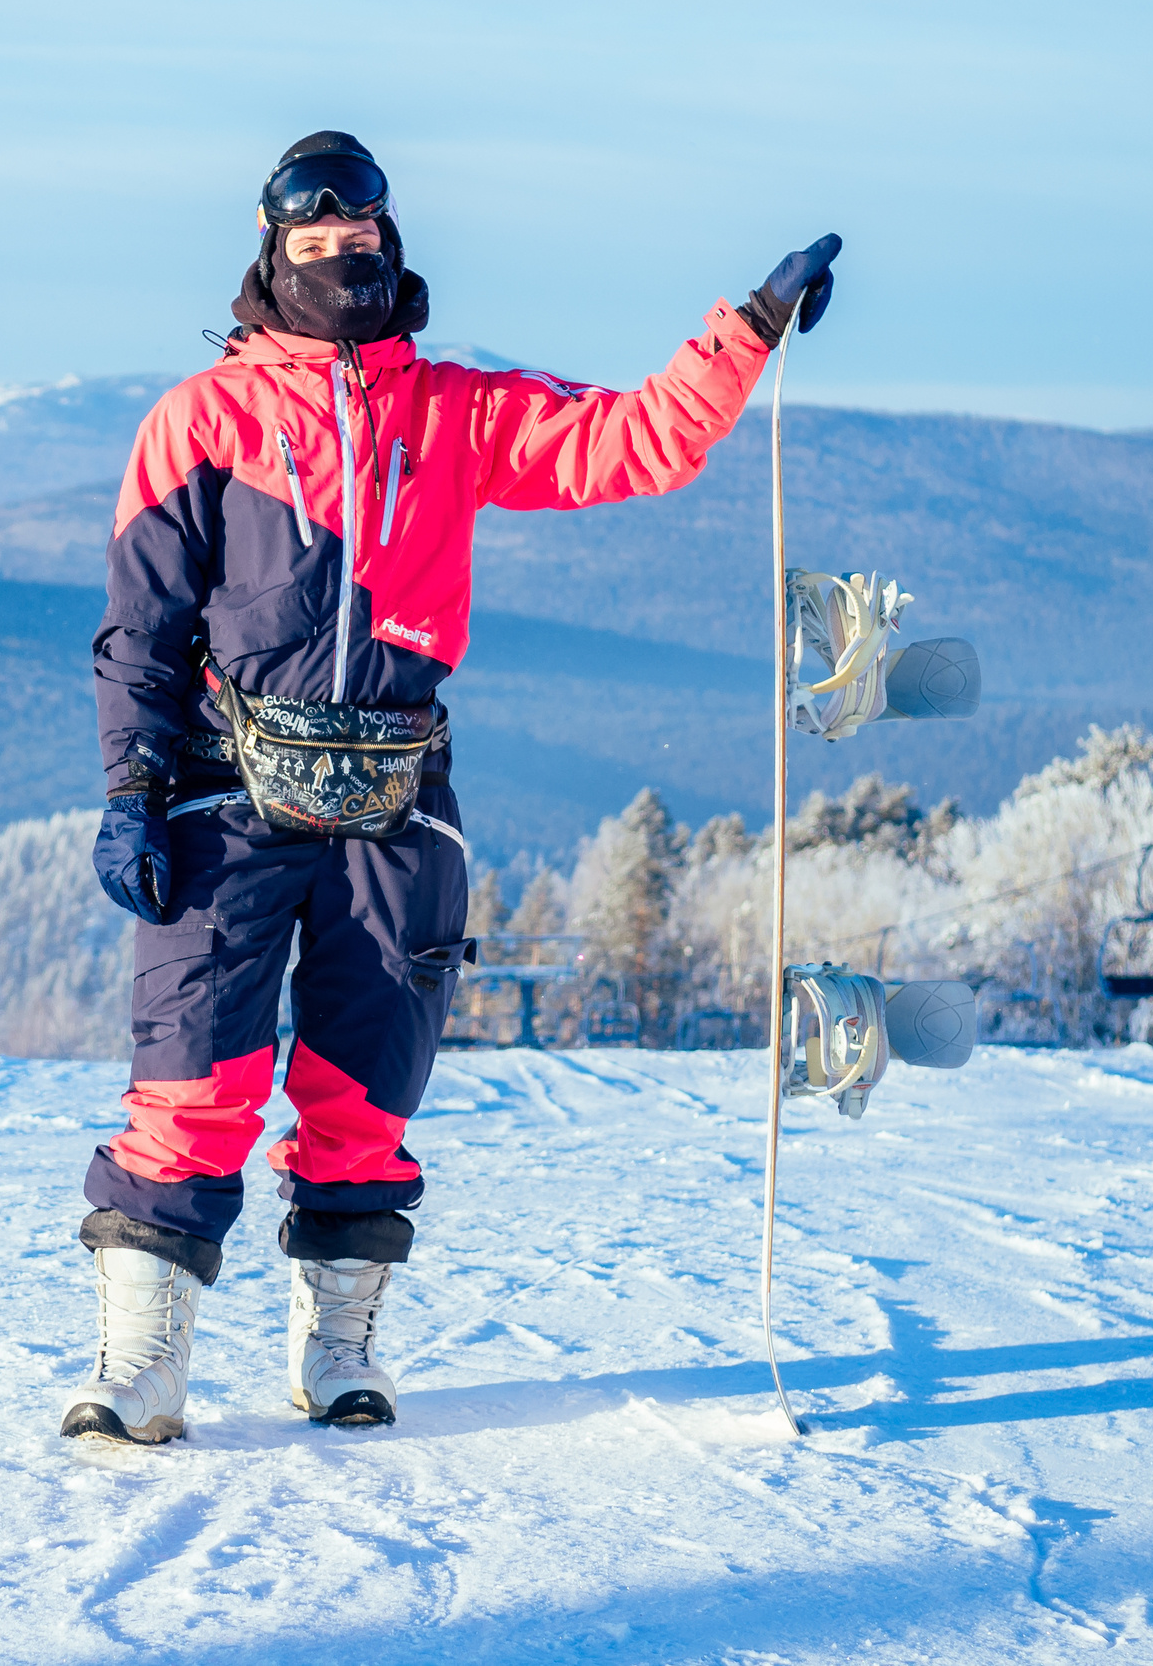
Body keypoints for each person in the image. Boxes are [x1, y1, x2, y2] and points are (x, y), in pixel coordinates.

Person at [60, 130, 839, 1443]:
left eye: (358, 242)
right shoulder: (205, 422)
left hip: (397, 792)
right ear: (271, 256)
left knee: (368, 1089)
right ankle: (142, 1362)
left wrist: (750, 329)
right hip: (225, 791)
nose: (340, 261)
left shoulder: (458, 411)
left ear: (391, 242)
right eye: (312, 246)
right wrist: (133, 786)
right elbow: (140, 629)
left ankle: (340, 1346)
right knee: (194, 1079)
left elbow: (634, 442)